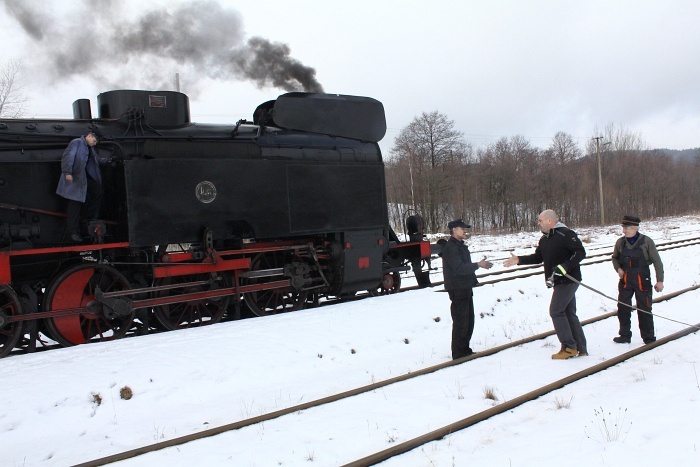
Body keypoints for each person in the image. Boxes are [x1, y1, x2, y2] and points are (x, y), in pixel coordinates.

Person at [503, 209, 587, 359]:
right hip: (557, 281)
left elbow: (580, 252)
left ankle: (569, 347)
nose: (538, 223)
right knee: (568, 312)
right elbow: (538, 257)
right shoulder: (545, 239)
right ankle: (580, 347)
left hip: (569, 279)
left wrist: (565, 266)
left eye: (540, 220)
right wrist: (519, 260)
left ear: (549, 220)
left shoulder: (566, 234)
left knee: (556, 311)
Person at [441, 219, 493, 359]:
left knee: (468, 321)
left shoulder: (459, 246)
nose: (465, 231)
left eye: (465, 228)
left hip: (465, 287)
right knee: (461, 322)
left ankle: (465, 350)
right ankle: (458, 354)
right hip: (458, 289)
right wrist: (478, 265)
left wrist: (473, 280)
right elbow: (459, 268)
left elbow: (464, 266)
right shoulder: (451, 248)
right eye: (462, 228)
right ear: (454, 230)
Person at [611, 215, 664, 344]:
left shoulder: (647, 242)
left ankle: (648, 338)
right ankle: (624, 335)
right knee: (623, 308)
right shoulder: (620, 242)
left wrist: (660, 281)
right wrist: (618, 269)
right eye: (623, 228)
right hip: (625, 280)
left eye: (626, 228)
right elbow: (615, 258)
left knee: (644, 308)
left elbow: (657, 262)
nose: (624, 231)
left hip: (642, 280)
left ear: (635, 228)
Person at [56, 132, 108, 242]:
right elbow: (68, 157)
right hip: (75, 178)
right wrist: (67, 172)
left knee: (98, 191)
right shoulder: (76, 143)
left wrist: (109, 159)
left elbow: (96, 160)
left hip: (84, 179)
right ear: (89, 136)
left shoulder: (90, 148)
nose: (94, 144)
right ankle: (72, 232)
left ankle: (88, 217)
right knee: (74, 205)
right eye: (94, 141)